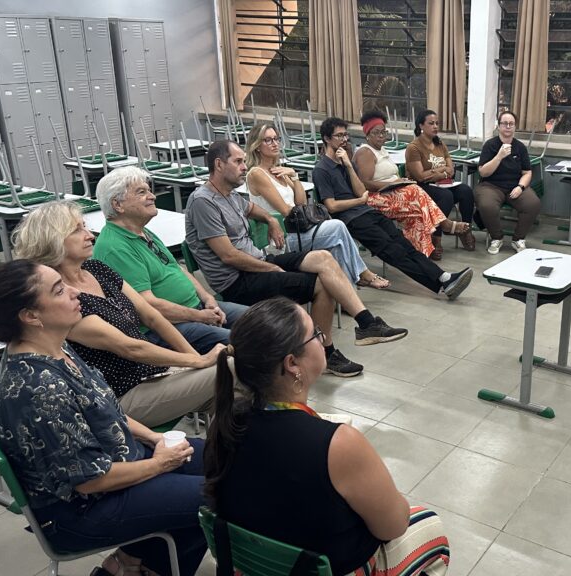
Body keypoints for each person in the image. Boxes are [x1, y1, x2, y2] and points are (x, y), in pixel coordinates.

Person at [0, 260, 207, 576]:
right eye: (59, 290)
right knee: (217, 495)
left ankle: (138, 563)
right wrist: (160, 463)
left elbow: (106, 411)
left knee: (221, 460)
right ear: (31, 316)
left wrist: (155, 439)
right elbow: (89, 481)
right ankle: (137, 563)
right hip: (83, 511)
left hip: (116, 467)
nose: (75, 293)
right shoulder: (38, 388)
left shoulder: (56, 347)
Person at [204, 297, 450, 575]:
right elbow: (393, 526)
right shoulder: (338, 443)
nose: (323, 340)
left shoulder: (225, 424)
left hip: (254, 565)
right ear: (292, 363)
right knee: (430, 526)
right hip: (323, 567)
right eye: (316, 334)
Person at [185, 140, 408, 378]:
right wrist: (270, 267)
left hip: (257, 264)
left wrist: (270, 221)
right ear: (219, 165)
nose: (243, 166)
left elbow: (251, 209)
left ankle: (366, 323)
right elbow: (228, 256)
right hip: (237, 281)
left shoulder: (228, 195)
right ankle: (326, 353)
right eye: (238, 161)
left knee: (322, 258)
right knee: (322, 285)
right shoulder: (203, 202)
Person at [12, 201, 223, 428]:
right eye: (77, 230)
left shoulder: (97, 269)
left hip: (154, 373)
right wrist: (198, 360)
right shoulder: (60, 297)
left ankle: (234, 457)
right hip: (122, 395)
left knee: (236, 398)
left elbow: (151, 316)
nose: (90, 235)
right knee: (232, 370)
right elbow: (129, 347)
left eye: (84, 226)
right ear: (52, 241)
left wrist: (196, 360)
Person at [314, 117, 474, 300]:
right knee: (395, 253)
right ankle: (441, 284)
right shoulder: (322, 169)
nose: (344, 140)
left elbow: (360, 191)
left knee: (405, 244)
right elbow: (331, 206)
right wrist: (359, 202)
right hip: (351, 219)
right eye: (339, 136)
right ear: (327, 139)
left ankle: (445, 277)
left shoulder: (344, 163)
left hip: (367, 211)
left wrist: (349, 166)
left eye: (345, 135)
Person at [93, 166, 247, 354]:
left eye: (149, 190)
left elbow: (178, 268)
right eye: (142, 192)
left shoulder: (142, 231)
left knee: (264, 320)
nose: (152, 196)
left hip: (196, 309)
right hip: (165, 328)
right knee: (252, 340)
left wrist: (208, 299)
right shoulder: (114, 247)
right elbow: (149, 305)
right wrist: (200, 316)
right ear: (118, 205)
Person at [243, 122, 390, 289]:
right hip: (283, 237)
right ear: (256, 146)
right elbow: (286, 211)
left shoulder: (279, 171)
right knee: (337, 227)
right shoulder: (256, 174)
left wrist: (295, 176)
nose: (275, 143)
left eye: (276, 139)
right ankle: (363, 274)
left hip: (298, 230)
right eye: (268, 140)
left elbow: (301, 203)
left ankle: (344, 295)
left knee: (336, 244)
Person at [353, 109, 471, 261]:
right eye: (377, 132)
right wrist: (394, 183)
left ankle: (420, 253)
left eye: (384, 132)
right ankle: (445, 225)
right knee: (416, 191)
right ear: (367, 134)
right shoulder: (365, 152)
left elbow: (450, 167)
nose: (382, 136)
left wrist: (398, 182)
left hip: (393, 193)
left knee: (417, 213)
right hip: (376, 197)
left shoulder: (381, 150)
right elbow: (365, 183)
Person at [403, 109, 477, 256]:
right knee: (446, 196)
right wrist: (442, 171)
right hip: (420, 188)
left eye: (437, 123)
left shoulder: (440, 144)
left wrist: (438, 172)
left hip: (442, 184)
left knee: (466, 191)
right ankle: (436, 238)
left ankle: (465, 230)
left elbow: (451, 169)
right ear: (420, 126)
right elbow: (421, 176)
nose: (436, 126)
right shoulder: (414, 148)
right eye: (431, 123)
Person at [475, 110, 541, 254]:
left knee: (533, 203)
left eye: (511, 124)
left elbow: (527, 172)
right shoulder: (490, 145)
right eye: (505, 123)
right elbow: (483, 172)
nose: (508, 126)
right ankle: (497, 238)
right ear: (499, 126)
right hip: (490, 186)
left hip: (514, 185)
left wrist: (521, 186)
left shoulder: (520, 147)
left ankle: (518, 239)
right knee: (487, 205)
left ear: (515, 127)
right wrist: (499, 157)